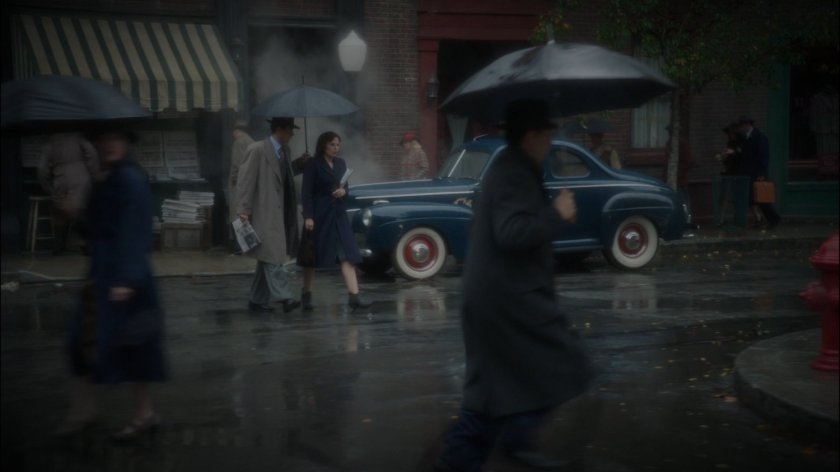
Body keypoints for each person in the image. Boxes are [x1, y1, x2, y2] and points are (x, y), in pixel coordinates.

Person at [436, 99, 592, 472]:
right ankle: (509, 444)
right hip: (506, 306)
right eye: (548, 133)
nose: (552, 141)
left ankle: (516, 441)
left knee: (507, 391)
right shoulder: (512, 170)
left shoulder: (516, 167)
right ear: (532, 134)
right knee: (555, 370)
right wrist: (557, 213)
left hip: (504, 302)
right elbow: (511, 232)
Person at [56, 128, 168, 441]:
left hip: (124, 278)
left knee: (131, 347)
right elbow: (97, 227)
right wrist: (75, 214)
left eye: (116, 138)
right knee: (87, 342)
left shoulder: (130, 179)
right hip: (104, 274)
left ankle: (137, 414)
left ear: (127, 143)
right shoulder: (107, 179)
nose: (109, 145)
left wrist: (127, 279)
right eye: (103, 139)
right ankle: (87, 411)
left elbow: (136, 230)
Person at [236, 117, 308, 313]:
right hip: (263, 211)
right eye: (290, 130)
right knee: (274, 256)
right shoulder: (257, 149)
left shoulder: (284, 151)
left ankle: (256, 301)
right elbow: (245, 180)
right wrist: (244, 209)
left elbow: (283, 174)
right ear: (280, 130)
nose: (292, 134)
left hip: (282, 211)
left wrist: (301, 164)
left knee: (267, 255)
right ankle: (284, 297)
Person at [299, 131, 372, 311]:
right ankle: (306, 294)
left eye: (338, 144)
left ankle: (354, 296)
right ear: (323, 145)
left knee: (347, 253)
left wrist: (343, 191)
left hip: (338, 214)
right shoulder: (313, 164)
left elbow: (345, 185)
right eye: (332, 144)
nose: (336, 148)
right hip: (319, 214)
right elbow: (306, 192)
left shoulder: (341, 163)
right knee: (312, 255)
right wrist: (308, 216)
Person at [37, 133, 99, 255]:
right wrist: (92, 171)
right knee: (81, 209)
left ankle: (59, 247)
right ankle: (88, 242)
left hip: (60, 177)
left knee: (60, 211)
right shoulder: (78, 137)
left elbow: (42, 168)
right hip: (81, 175)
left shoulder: (51, 141)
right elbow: (92, 154)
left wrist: (46, 186)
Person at [735, 116, 781, 229]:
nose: (740, 129)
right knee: (751, 198)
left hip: (757, 173)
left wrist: (761, 173)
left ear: (747, 125)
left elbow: (764, 156)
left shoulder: (759, 136)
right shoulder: (744, 137)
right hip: (747, 173)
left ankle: (774, 219)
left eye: (741, 126)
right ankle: (759, 220)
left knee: (762, 198)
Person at [228, 119, 254, 250]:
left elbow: (236, 164)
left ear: (238, 131)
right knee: (247, 214)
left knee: (236, 215)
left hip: (239, 184)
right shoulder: (253, 142)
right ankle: (249, 245)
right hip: (250, 183)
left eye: (234, 132)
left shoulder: (239, 143)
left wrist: (233, 180)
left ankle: (239, 247)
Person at [715, 123, 743, 226]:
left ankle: (738, 219)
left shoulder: (740, 143)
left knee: (736, 197)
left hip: (737, 174)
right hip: (728, 173)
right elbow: (728, 159)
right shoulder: (730, 143)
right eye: (729, 134)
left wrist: (734, 153)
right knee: (724, 197)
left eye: (731, 133)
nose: (730, 135)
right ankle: (722, 220)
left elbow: (742, 157)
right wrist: (723, 158)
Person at [663, 126, 695, 216]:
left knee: (683, 202)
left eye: (670, 132)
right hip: (670, 180)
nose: (669, 134)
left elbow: (690, 161)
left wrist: (679, 174)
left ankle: (686, 222)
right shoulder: (669, 143)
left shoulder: (682, 144)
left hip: (680, 182)